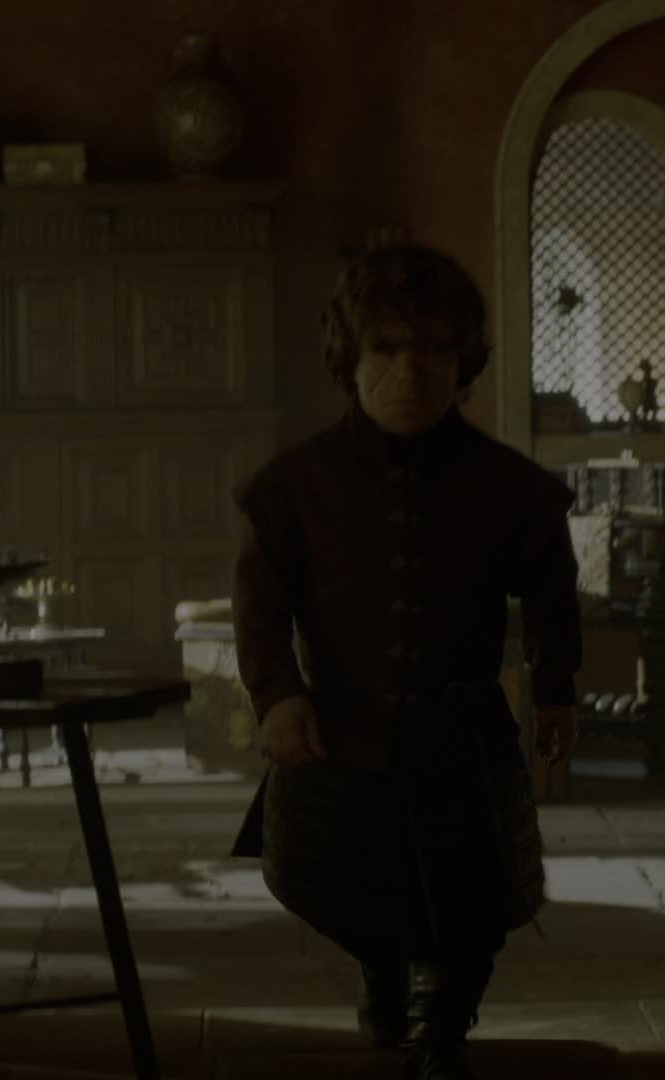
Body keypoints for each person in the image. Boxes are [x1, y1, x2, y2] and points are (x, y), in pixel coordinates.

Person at [228, 244, 581, 1079]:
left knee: (473, 901)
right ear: (349, 357)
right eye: (386, 347)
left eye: (433, 350)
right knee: (345, 886)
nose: (410, 372)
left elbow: (552, 591)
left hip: (462, 737)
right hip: (339, 735)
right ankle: (384, 972)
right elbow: (261, 604)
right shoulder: (291, 488)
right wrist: (278, 695)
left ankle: (442, 1026)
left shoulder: (511, 488)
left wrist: (557, 691)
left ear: (463, 362)